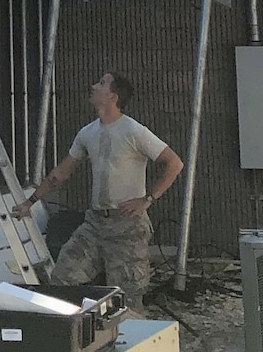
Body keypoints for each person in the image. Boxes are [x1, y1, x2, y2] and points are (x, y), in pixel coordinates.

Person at [13, 72, 184, 309]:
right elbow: (61, 172)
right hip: (94, 224)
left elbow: (174, 163)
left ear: (113, 96)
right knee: (63, 278)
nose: (93, 86)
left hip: (127, 226)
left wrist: (147, 199)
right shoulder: (87, 133)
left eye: (101, 83)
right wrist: (29, 203)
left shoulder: (134, 131)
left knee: (127, 298)